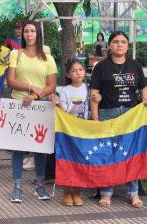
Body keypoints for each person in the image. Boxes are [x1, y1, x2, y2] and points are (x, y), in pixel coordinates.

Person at [90, 31, 147, 209]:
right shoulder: (101, 67)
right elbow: (94, 93)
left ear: (127, 45)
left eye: (123, 42)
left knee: (130, 154)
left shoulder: (135, 65)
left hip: (131, 116)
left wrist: (145, 98)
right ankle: (106, 193)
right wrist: (95, 119)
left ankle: (133, 193)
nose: (119, 45)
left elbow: (143, 87)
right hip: (108, 114)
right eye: (115, 42)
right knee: (108, 155)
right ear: (109, 46)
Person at [7, 21, 57, 203]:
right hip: (19, 104)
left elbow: (51, 85)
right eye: (26, 31)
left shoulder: (47, 58)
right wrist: (30, 87)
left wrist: (36, 94)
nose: (29, 34)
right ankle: (17, 186)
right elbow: (11, 80)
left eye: (32, 31)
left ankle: (40, 184)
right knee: (19, 148)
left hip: (40, 104)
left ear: (38, 34)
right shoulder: (15, 54)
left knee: (40, 147)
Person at [50, 59, 91, 206]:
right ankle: (67, 191)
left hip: (83, 130)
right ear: (68, 74)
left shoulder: (88, 89)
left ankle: (77, 192)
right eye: (74, 71)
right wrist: (59, 103)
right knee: (68, 161)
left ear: (84, 71)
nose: (78, 73)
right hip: (67, 130)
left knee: (80, 160)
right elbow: (63, 111)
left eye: (80, 69)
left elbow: (89, 109)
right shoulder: (65, 90)